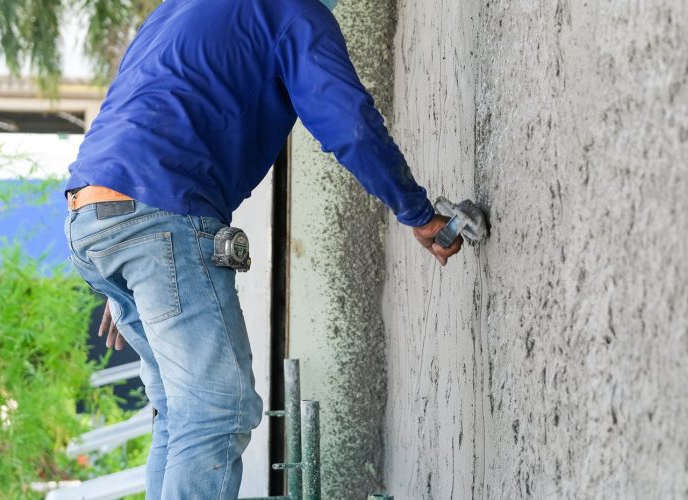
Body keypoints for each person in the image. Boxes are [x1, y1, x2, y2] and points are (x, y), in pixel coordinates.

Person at [62, 0, 462, 496]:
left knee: (178, 413)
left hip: (94, 219)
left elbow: (143, 108)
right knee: (214, 412)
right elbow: (349, 124)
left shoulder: (180, 8)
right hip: (157, 217)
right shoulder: (292, 12)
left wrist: (122, 254)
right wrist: (417, 213)